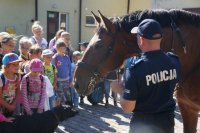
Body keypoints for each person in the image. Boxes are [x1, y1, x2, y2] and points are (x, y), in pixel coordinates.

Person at [111, 19, 181, 133]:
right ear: (160, 38)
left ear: (141, 40)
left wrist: (119, 89)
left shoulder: (135, 69)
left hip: (142, 126)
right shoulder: (174, 61)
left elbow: (128, 108)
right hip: (167, 125)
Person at [52, 39, 72, 106]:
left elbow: (70, 69)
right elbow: (53, 70)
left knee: (67, 95)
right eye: (61, 48)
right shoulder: (55, 58)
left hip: (66, 80)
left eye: (64, 48)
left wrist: (71, 80)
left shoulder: (67, 57)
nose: (63, 49)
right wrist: (55, 82)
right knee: (59, 95)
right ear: (57, 48)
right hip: (58, 81)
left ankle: (67, 108)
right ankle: (59, 110)